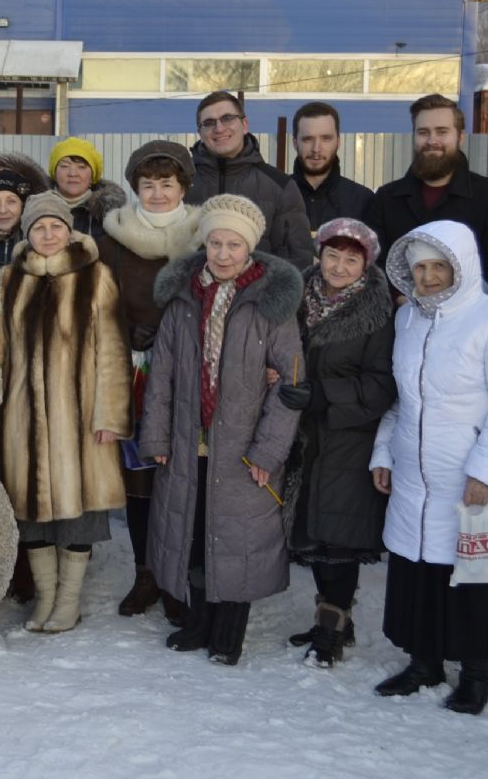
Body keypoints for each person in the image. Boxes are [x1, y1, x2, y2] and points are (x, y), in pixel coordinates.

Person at [369, 221, 488, 714]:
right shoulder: (408, 321)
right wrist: (384, 451)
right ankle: (424, 664)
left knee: (474, 578)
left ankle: (477, 673)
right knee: (420, 571)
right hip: (417, 480)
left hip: (471, 482)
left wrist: (484, 470)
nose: (429, 276)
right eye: (419, 267)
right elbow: (403, 400)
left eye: (438, 265)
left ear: (460, 266)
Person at [139, 195, 305, 666]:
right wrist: (156, 438)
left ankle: (228, 632)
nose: (224, 254)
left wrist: (267, 454)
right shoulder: (183, 301)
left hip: (244, 448)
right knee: (193, 533)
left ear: (249, 248)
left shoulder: (271, 307)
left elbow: (290, 385)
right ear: (204, 244)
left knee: (237, 540)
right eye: (216, 243)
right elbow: (163, 376)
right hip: (189, 444)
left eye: (234, 244)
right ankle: (198, 623)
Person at [0, 192, 132, 633]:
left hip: (80, 418)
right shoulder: (9, 280)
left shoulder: (96, 277)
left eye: (56, 226)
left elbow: (113, 350)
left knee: (79, 510)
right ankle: (46, 598)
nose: (49, 234)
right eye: (39, 227)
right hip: (23, 416)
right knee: (29, 507)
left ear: (69, 229)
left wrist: (110, 416)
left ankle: (69, 601)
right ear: (27, 233)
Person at [95, 140, 204, 620]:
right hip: (134, 369)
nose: (158, 194)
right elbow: (98, 303)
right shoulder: (114, 238)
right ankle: (146, 573)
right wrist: (125, 331)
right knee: (141, 478)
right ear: (134, 187)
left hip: (192, 373)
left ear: (183, 186)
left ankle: (179, 575)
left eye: (167, 184)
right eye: (148, 184)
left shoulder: (206, 234)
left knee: (181, 478)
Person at [286, 217, 396, 667]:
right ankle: (332, 620)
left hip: (348, 436)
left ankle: (330, 629)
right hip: (303, 434)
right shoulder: (297, 296)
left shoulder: (377, 310)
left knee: (339, 537)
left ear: (366, 263)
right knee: (313, 532)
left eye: (351, 259)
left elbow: (382, 384)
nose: (339, 266)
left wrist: (322, 395)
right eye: (333, 255)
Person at [363, 94, 488, 298]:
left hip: (466, 322)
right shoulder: (387, 198)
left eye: (442, 132)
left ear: (460, 137)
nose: (432, 141)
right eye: (423, 132)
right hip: (401, 319)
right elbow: (373, 265)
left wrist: (455, 306)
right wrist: (402, 299)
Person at [184, 91, 314, 267]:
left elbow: (297, 260)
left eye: (227, 118)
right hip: (191, 294)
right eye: (208, 123)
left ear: (244, 125)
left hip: (258, 293)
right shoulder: (180, 182)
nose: (219, 128)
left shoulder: (280, 186)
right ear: (200, 132)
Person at [291, 102, 374, 232]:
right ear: (295, 143)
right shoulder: (274, 196)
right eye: (308, 139)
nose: (316, 148)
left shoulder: (363, 201)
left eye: (326, 138)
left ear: (338, 142)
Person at [49, 137, 126, 240]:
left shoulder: (111, 215)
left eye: (81, 167)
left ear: (93, 176)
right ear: (54, 172)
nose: (72, 173)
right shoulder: (35, 207)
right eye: (64, 166)